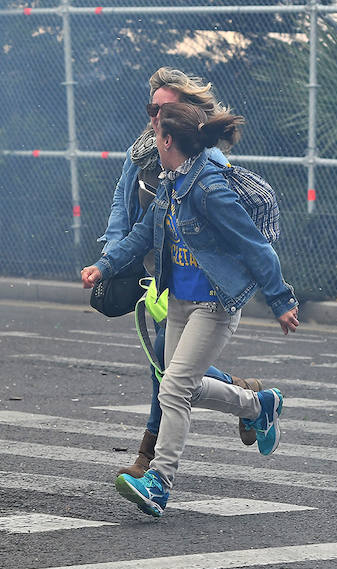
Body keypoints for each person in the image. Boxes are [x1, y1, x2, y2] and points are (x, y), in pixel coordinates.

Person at [81, 102, 299, 517]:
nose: (152, 139)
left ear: (167, 141)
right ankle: (259, 405)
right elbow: (143, 234)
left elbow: (254, 244)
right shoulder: (170, 183)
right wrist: (103, 266)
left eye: (156, 131)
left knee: (175, 388)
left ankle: (159, 482)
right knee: (184, 385)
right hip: (180, 301)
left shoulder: (208, 187)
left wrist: (280, 300)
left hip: (215, 303)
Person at [98, 67, 266, 479]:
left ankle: (149, 456)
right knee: (171, 365)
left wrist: (276, 293)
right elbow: (125, 212)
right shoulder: (139, 153)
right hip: (154, 273)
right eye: (151, 107)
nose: (156, 116)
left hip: (196, 281)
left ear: (187, 114)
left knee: (165, 362)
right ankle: (244, 392)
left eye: (165, 108)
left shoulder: (207, 160)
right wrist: (110, 261)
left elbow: (240, 232)